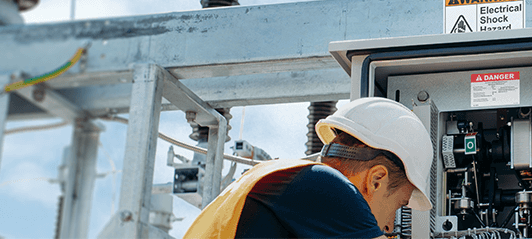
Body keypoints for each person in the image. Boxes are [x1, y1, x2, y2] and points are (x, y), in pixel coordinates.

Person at [183, 97, 434, 239]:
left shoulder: (285, 178)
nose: (391, 227)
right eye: (399, 206)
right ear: (376, 180)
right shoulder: (327, 186)